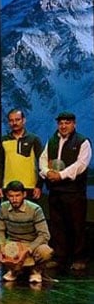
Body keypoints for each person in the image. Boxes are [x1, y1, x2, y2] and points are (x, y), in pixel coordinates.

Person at [38, 111, 91, 271]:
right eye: (61, 123)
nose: (63, 126)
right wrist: (47, 173)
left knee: (76, 225)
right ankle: (60, 257)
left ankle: (79, 258)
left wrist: (60, 175)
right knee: (57, 226)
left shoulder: (82, 141)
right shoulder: (52, 140)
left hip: (74, 192)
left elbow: (81, 165)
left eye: (67, 122)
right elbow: (42, 159)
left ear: (74, 124)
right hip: (55, 191)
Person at [0, 181, 53, 283]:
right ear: (7, 195)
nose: (14, 199)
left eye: (17, 195)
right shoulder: (4, 207)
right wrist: (2, 245)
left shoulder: (35, 209)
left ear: (24, 194)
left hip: (30, 245)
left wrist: (29, 249)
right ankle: (14, 269)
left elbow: (44, 235)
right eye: (11, 196)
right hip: (12, 244)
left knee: (46, 251)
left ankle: (35, 270)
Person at [0, 109, 43, 200]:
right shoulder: (4, 140)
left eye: (17, 120)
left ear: (23, 120)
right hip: (8, 187)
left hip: (29, 187)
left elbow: (42, 164)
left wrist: (39, 186)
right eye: (11, 120)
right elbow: (0, 165)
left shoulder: (33, 139)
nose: (14, 123)